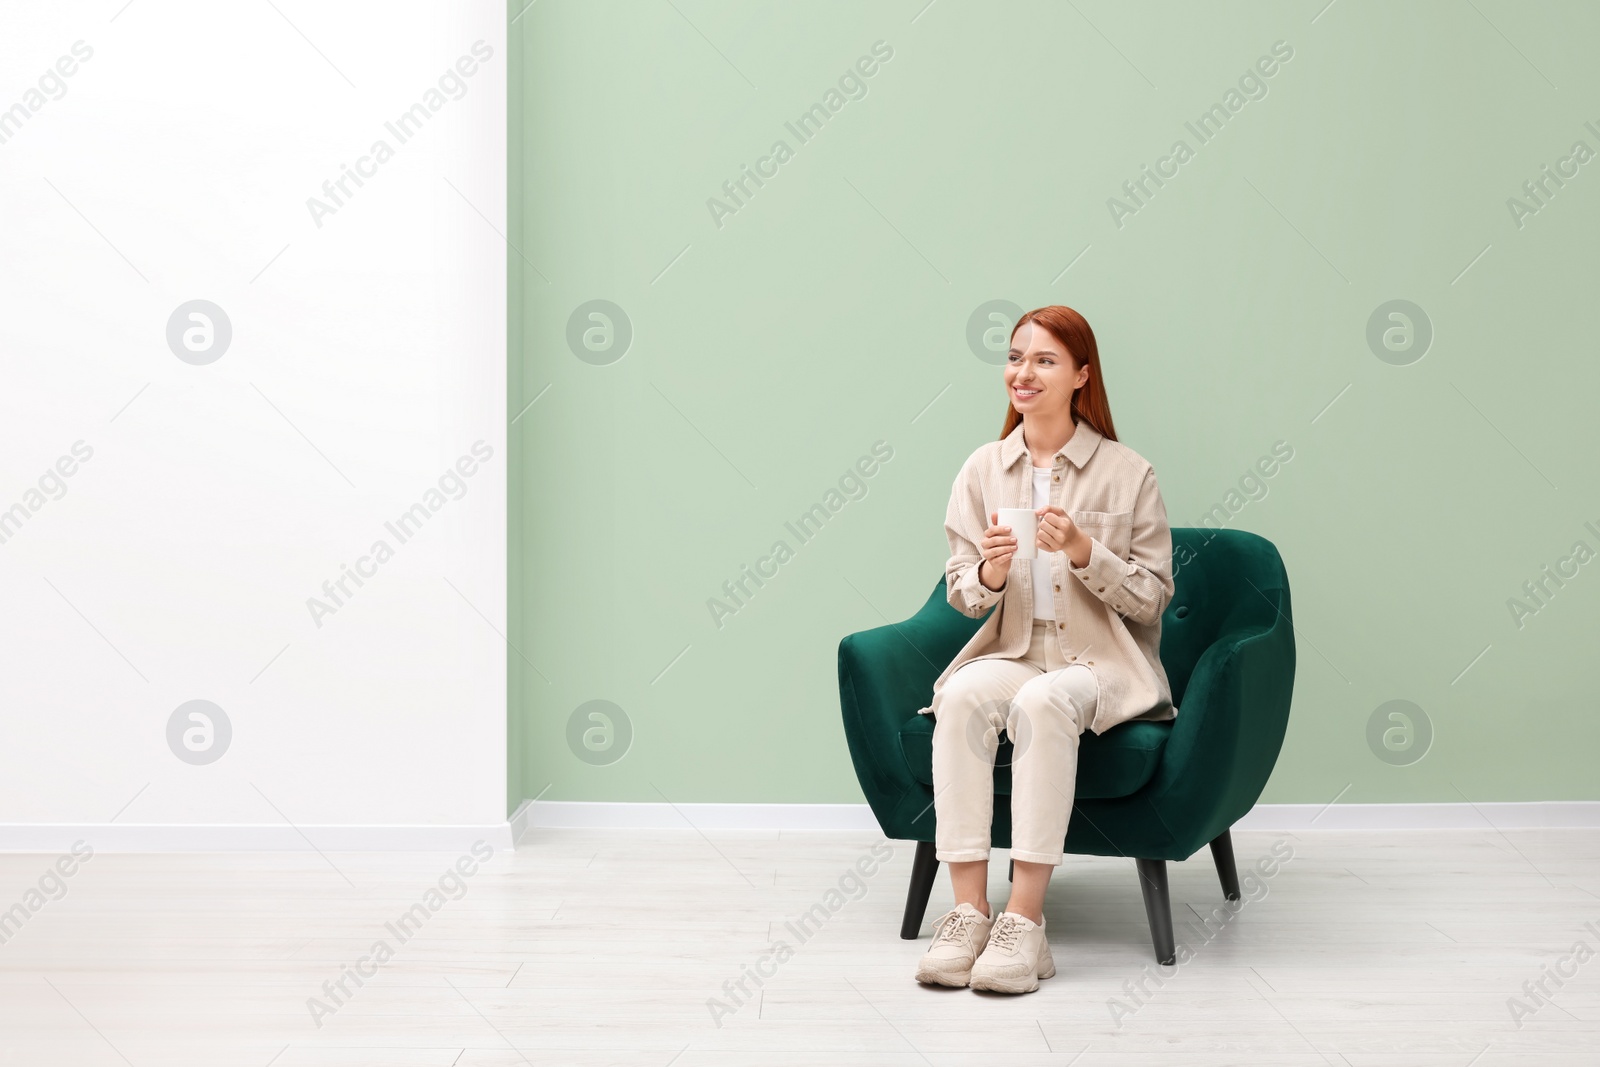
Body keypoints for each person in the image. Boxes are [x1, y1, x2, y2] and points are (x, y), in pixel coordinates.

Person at [913, 305, 1177, 994]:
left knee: (1043, 697)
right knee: (965, 691)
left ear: (1081, 375)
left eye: (1044, 360)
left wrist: (1087, 552)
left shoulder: (1128, 472)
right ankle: (969, 911)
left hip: (1101, 666)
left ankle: (1025, 924)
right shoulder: (981, 470)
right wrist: (992, 572)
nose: (1022, 372)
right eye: (1015, 357)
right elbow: (962, 594)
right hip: (1016, 650)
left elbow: (1152, 599)